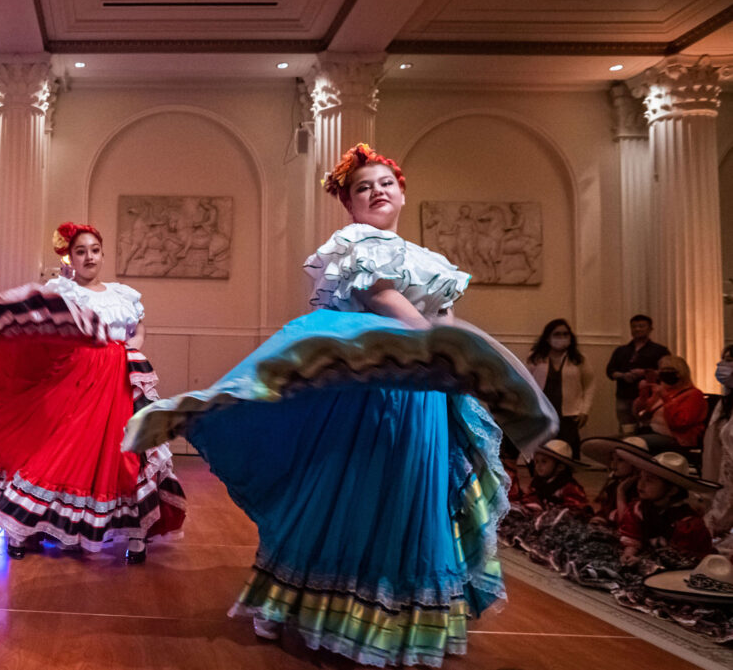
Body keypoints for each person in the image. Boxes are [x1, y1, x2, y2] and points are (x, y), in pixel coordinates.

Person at [124, 144, 555, 666]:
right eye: (363, 187)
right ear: (349, 204)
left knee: (410, 499)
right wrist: (441, 346)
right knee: (341, 493)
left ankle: (393, 617)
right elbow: (380, 297)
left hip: (425, 401)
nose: (376, 192)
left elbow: (444, 313)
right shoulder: (356, 244)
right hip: (367, 396)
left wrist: (451, 359)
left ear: (402, 193)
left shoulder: (428, 260)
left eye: (385, 184)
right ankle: (293, 606)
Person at [0, 222, 186, 563]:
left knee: (124, 457)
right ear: (70, 258)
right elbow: (39, 330)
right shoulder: (64, 291)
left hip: (121, 384)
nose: (88, 256)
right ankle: (23, 527)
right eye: (80, 251)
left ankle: (134, 535)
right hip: (76, 383)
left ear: (103, 254)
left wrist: (130, 348)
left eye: (94, 250)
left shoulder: (124, 293)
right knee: (61, 453)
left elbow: (138, 329)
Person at [617, 450, 718, 564]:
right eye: (640, 478)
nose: (641, 484)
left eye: (649, 480)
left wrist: (643, 562)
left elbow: (681, 559)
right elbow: (634, 536)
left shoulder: (688, 523)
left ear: (672, 490)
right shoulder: (639, 508)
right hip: (648, 559)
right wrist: (629, 553)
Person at [526, 318, 595, 459]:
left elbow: (589, 385)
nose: (562, 338)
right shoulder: (536, 358)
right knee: (541, 451)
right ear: (547, 338)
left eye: (565, 334)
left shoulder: (579, 359)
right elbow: (525, 384)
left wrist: (585, 410)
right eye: (557, 334)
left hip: (569, 414)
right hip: (542, 414)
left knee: (568, 452)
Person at [606, 315, 670, 435]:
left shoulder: (659, 350)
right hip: (624, 396)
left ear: (650, 328)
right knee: (626, 430)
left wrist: (645, 372)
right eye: (634, 326)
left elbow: (666, 372)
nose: (637, 329)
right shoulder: (621, 350)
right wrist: (623, 376)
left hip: (649, 398)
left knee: (648, 430)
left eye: (641, 326)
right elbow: (610, 371)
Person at [632, 355, 708, 452]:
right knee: (622, 445)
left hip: (677, 439)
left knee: (633, 445)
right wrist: (643, 395)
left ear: (680, 373)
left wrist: (666, 399)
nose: (665, 374)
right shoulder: (662, 391)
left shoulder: (694, 395)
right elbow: (640, 415)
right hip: (654, 432)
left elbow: (680, 424)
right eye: (662, 370)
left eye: (670, 370)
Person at [702, 344, 733, 547]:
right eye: (724, 360)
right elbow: (713, 447)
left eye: (730, 361)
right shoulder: (725, 403)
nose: (723, 365)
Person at [581, 436, 649, 526]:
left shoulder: (640, 491)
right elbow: (605, 511)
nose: (614, 464)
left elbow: (626, 523)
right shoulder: (613, 487)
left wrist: (620, 492)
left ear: (636, 465)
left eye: (621, 460)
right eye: (612, 459)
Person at [517, 439, 592, 515]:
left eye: (544, 462)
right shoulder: (537, 482)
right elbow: (529, 497)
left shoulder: (568, 486)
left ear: (560, 467)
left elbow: (576, 507)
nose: (538, 466)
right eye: (536, 461)